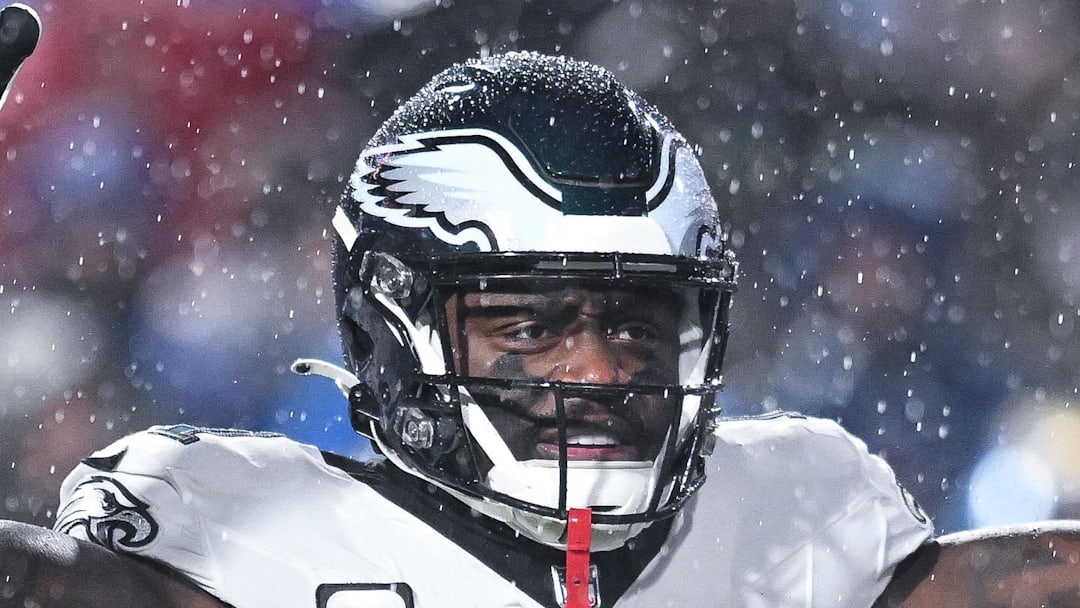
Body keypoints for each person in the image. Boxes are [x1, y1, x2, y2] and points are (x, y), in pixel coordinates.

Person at [0, 42, 1078, 608]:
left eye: (641, 324)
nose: (602, 368)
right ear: (392, 325)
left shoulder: (796, 508)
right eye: (531, 324)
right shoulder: (236, 526)